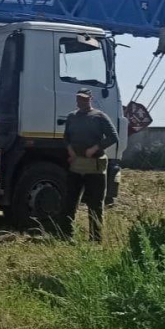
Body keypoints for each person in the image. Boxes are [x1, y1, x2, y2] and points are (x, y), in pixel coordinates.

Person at [61, 88, 119, 243]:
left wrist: (95, 148)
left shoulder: (99, 116)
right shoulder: (72, 116)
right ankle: (67, 235)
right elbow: (66, 137)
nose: (81, 101)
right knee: (70, 200)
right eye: (79, 98)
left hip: (94, 165)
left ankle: (95, 239)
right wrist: (70, 150)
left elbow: (113, 137)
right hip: (77, 164)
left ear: (90, 99)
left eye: (84, 98)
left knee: (95, 203)